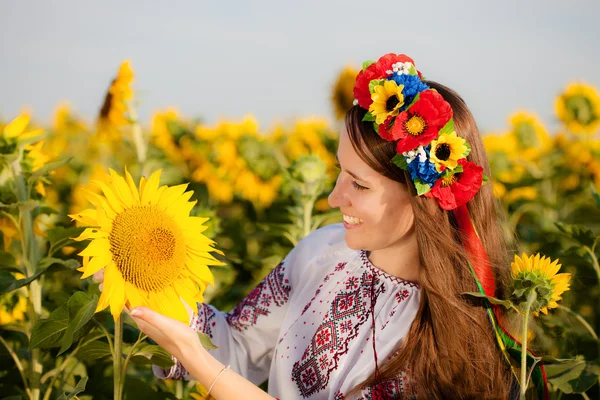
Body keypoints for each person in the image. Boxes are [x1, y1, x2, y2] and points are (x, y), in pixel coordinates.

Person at [109, 53, 521, 399]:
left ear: (424, 200)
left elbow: (209, 359)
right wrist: (146, 284)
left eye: (359, 184)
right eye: (340, 172)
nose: (334, 198)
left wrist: (195, 358)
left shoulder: (456, 329)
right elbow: (235, 346)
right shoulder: (324, 251)